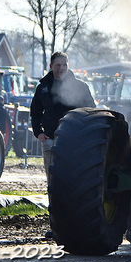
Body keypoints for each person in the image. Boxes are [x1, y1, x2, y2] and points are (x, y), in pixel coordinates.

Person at [31, 51, 95, 181]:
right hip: (50, 138)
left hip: (74, 140)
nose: (61, 68)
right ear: (51, 66)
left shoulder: (80, 87)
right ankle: (52, 201)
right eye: (58, 65)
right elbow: (35, 112)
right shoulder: (43, 87)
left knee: (73, 177)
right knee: (52, 178)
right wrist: (39, 133)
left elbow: (91, 111)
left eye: (64, 65)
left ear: (68, 65)